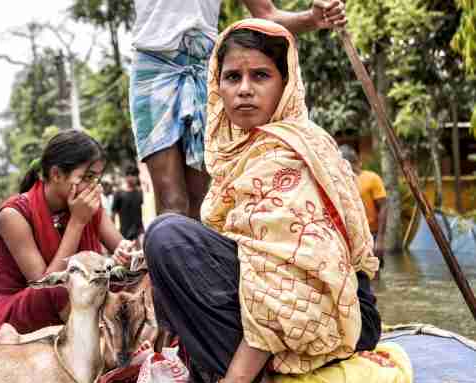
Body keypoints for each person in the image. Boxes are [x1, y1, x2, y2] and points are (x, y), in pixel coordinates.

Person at [143, 20, 382, 383]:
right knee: (170, 260)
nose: (244, 89)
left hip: (340, 313)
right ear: (217, 87)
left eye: (261, 76)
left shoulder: (287, 151)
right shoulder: (242, 152)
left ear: (286, 84)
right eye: (232, 77)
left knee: (167, 236)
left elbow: (283, 279)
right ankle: (246, 382)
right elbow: (246, 256)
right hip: (298, 302)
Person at [130, 0, 347, 220]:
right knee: (173, 203)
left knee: (201, 201)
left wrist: (312, 18)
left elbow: (266, 14)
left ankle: (195, 252)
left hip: (203, 68)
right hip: (153, 68)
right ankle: (164, 247)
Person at [0, 130, 137, 345]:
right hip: (14, 312)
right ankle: (98, 346)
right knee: (62, 287)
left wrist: (124, 255)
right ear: (57, 174)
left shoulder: (88, 204)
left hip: (74, 297)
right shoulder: (13, 215)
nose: (94, 186)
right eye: (87, 177)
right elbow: (45, 284)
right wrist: (77, 222)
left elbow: (123, 250)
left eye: (97, 177)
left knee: (132, 278)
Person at [340, 145, 387, 266]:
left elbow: (383, 207)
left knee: (374, 272)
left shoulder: (372, 178)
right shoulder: (340, 182)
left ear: (356, 162)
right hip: (352, 236)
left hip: (373, 234)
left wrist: (380, 239)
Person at [112, 168, 145, 241]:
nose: (132, 178)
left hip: (138, 232)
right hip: (125, 233)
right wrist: (113, 234)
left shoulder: (140, 192)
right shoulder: (119, 193)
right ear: (126, 177)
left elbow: (139, 212)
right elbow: (113, 214)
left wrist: (141, 229)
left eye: (134, 175)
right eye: (129, 175)